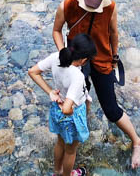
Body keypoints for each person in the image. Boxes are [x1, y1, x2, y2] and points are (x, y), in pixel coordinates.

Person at [52, 0, 140, 170]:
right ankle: (83, 124)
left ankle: (137, 142)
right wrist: (63, 52)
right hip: (77, 62)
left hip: (102, 59)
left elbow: (113, 33)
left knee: (111, 109)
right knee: (78, 99)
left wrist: (114, 58)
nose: (94, 6)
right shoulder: (67, 5)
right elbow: (57, 30)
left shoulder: (110, 8)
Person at [27, 34, 97, 176]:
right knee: (70, 151)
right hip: (71, 112)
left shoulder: (56, 57)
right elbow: (66, 109)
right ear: (84, 60)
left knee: (60, 142)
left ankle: (57, 171)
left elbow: (33, 72)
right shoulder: (77, 76)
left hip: (56, 108)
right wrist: (72, 113)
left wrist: (50, 92)